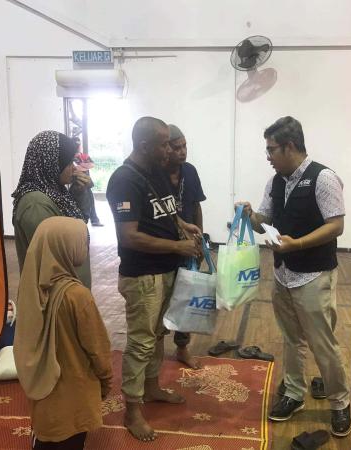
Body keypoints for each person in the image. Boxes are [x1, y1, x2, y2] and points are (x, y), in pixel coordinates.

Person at [238, 116, 351, 437]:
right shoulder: (276, 181)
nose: (268, 156)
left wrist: (298, 244)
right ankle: (293, 392)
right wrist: (250, 216)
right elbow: (264, 220)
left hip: (314, 275)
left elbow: (336, 225)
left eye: (271, 149)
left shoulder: (323, 178)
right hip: (283, 274)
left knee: (322, 343)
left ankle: (340, 402)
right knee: (291, 339)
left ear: (289, 147)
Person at [106, 116, 202, 442]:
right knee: (141, 343)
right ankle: (132, 410)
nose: (170, 150)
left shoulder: (156, 172)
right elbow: (129, 236)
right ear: (145, 145)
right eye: (164, 144)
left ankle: (151, 388)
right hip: (142, 276)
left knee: (159, 335)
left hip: (166, 270)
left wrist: (183, 225)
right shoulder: (124, 180)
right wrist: (178, 246)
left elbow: (166, 211)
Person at [13, 216, 112, 450]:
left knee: (46, 439)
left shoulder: (31, 290)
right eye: (83, 242)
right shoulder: (77, 296)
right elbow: (97, 347)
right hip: (74, 394)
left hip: (43, 394)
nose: (85, 247)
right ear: (66, 246)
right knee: (71, 440)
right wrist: (106, 380)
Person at [12, 130, 93, 287]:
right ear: (51, 163)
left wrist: (79, 193)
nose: (74, 169)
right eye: (69, 163)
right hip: (54, 296)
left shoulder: (56, 192)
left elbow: (80, 222)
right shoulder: (35, 203)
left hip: (69, 291)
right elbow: (53, 259)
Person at [165, 124, 207, 369]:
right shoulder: (155, 174)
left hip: (190, 246)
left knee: (187, 299)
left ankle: (182, 347)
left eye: (185, 146)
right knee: (164, 299)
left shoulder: (190, 171)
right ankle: (154, 349)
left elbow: (196, 205)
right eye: (176, 147)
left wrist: (199, 237)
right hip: (164, 247)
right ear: (165, 148)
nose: (182, 151)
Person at [73, 137, 103, 227]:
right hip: (78, 184)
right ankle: (83, 222)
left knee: (91, 201)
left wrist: (82, 165)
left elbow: (91, 164)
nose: (79, 146)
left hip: (87, 183)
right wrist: (84, 165)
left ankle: (94, 220)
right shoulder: (72, 157)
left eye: (79, 144)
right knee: (82, 204)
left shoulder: (84, 156)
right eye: (77, 144)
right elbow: (77, 168)